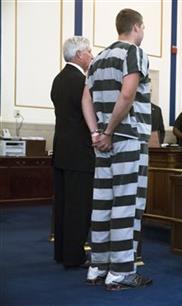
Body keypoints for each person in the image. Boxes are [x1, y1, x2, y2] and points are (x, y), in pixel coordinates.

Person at [81, 8, 152, 290]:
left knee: (103, 203)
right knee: (127, 202)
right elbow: (128, 92)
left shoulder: (98, 59)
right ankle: (121, 271)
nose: (143, 33)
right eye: (143, 28)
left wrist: (96, 133)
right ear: (136, 27)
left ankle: (98, 267)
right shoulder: (132, 52)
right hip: (128, 137)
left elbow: (85, 98)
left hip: (104, 140)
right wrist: (110, 130)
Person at [50, 36, 94, 269]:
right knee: (78, 207)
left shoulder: (58, 79)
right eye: (89, 51)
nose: (92, 55)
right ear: (78, 55)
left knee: (63, 206)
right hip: (80, 154)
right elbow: (90, 116)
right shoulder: (82, 82)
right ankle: (74, 257)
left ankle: (61, 252)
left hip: (61, 151)